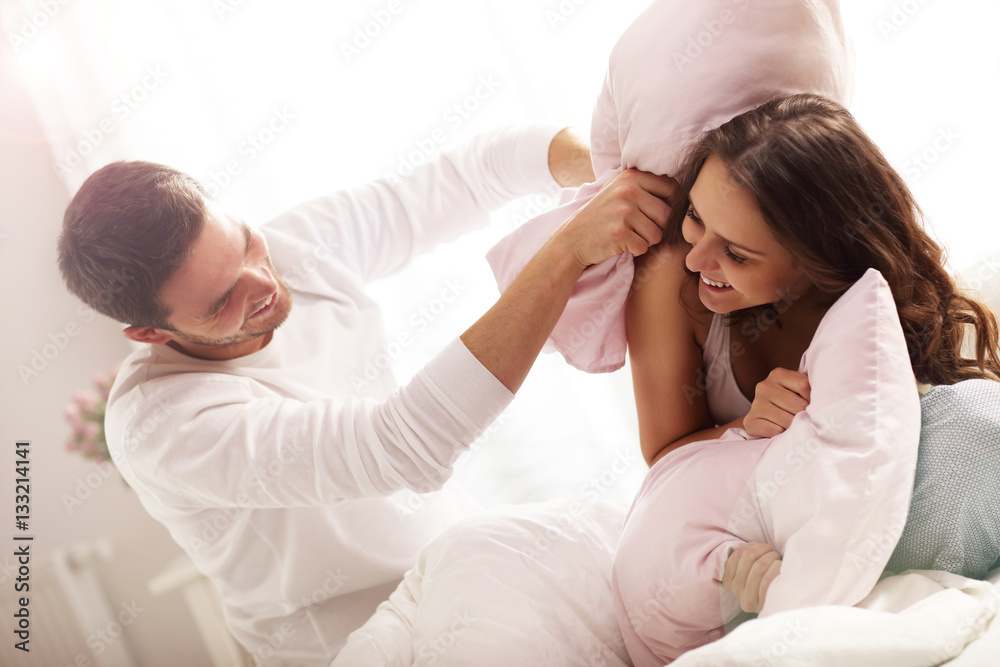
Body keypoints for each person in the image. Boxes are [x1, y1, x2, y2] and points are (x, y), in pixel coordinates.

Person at [56, 121, 674, 664]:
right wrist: (566, 250)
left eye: (244, 242)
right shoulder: (159, 428)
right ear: (149, 332)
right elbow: (402, 446)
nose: (263, 283)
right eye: (221, 303)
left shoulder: (296, 250)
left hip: (467, 566)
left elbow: (471, 173)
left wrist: (611, 172)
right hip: (353, 643)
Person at [624, 93, 1000, 639]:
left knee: (976, 427)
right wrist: (748, 427)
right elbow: (663, 457)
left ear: (813, 259)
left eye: (737, 253)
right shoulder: (669, 283)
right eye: (695, 218)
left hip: (857, 505)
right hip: (745, 538)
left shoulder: (861, 304)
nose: (698, 257)